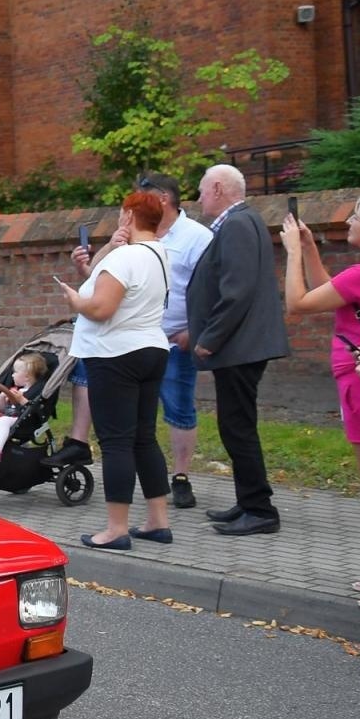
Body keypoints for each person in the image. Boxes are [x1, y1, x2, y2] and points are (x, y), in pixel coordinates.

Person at [279, 188, 360, 608]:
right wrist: (308, 249)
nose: (348, 222)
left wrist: (290, 252)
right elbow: (331, 290)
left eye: (356, 216)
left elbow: (299, 303)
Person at [55, 190, 172, 551]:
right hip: (152, 347)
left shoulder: (126, 259)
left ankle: (116, 528)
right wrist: (108, 249)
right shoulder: (159, 253)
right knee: (144, 438)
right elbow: (106, 285)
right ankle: (157, 520)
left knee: (116, 441)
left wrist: (74, 300)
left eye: (122, 214)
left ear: (130, 215)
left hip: (115, 354)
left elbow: (100, 307)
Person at [187, 164, 290, 536]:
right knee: (236, 426)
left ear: (217, 188)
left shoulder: (236, 225)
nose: (199, 198)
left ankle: (259, 509)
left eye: (201, 190)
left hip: (239, 346)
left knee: (238, 427)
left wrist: (209, 338)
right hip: (241, 345)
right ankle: (249, 500)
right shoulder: (242, 222)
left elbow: (237, 292)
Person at [138, 173, 215, 508]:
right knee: (136, 408)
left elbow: (212, 288)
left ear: (163, 199)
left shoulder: (198, 237)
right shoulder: (140, 234)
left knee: (179, 407)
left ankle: (181, 476)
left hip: (175, 339)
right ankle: (142, 474)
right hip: (137, 336)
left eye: (142, 197)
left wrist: (194, 332)